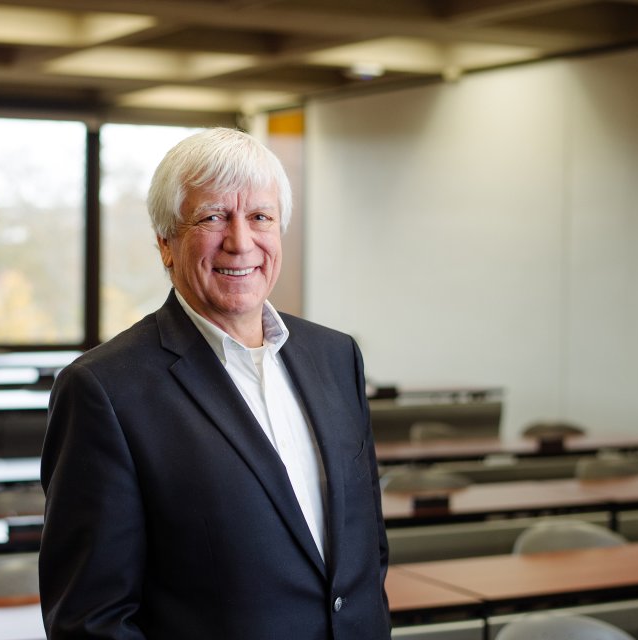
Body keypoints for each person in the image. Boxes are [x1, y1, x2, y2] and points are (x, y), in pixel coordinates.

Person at [39, 127, 390, 639]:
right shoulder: (104, 391)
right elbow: (90, 622)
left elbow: (366, 552)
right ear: (166, 241)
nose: (240, 241)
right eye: (213, 217)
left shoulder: (337, 357)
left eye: (260, 217)